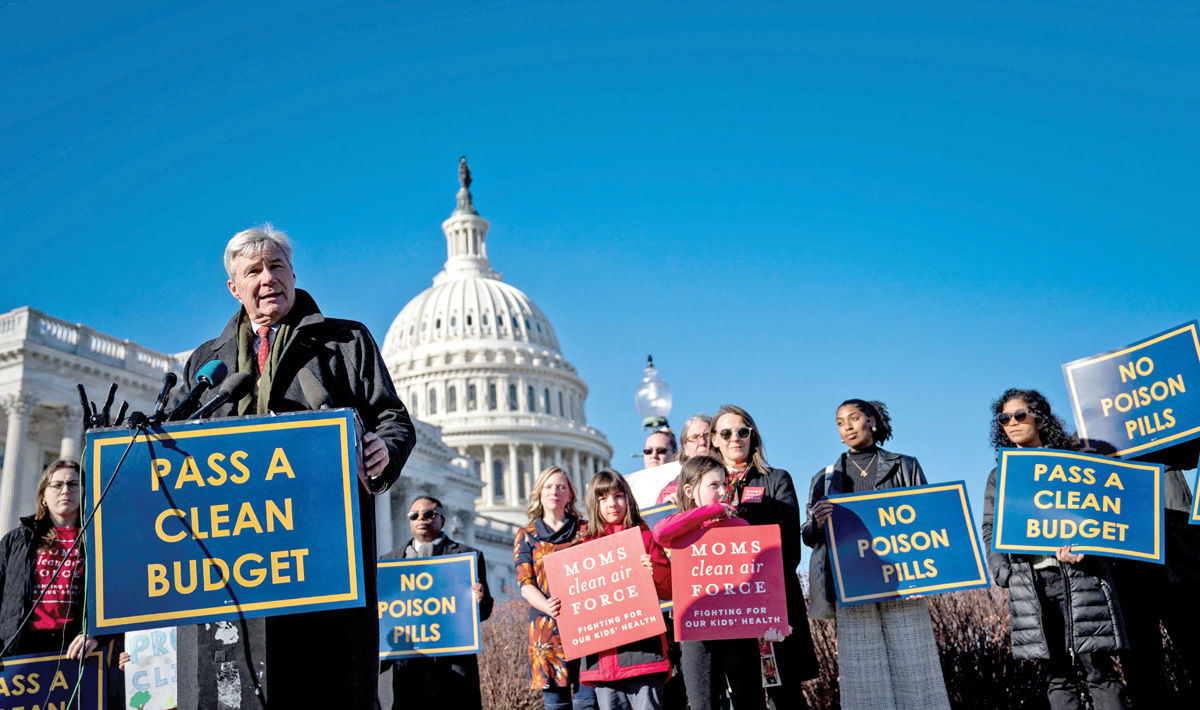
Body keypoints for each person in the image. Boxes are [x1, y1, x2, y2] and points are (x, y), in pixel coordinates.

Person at [176, 224, 416, 708]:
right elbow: (180, 443)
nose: (268, 278)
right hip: (233, 559)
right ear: (234, 287)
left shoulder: (346, 341)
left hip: (323, 555)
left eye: (277, 266)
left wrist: (384, 449)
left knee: (323, 688)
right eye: (254, 271)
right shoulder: (207, 361)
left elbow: (392, 419)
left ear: (293, 273)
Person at [981, 388, 1126, 709]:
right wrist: (1004, 573)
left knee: (1099, 672)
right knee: (1057, 677)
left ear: (1040, 420)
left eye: (1020, 415)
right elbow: (991, 528)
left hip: (1080, 578)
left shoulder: (1073, 463)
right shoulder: (1000, 475)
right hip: (1031, 586)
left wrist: (1087, 549)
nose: (1012, 423)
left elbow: (1100, 514)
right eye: (1004, 418)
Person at [801, 399, 950, 709]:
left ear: (872, 421)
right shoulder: (824, 479)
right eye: (840, 423)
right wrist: (817, 523)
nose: (847, 426)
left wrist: (926, 580)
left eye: (854, 418)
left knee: (918, 676)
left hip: (904, 586)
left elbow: (926, 523)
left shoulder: (906, 465)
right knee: (864, 686)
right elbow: (808, 535)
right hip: (852, 589)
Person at [709, 404, 818, 707]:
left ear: (753, 436)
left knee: (787, 696)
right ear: (714, 439)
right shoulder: (706, 489)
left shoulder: (775, 479)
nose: (735, 438)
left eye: (742, 431)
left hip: (772, 600)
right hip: (727, 608)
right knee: (745, 698)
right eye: (726, 433)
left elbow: (789, 550)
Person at [652, 455, 768, 710]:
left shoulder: (739, 525)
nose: (723, 491)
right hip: (697, 631)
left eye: (723, 484)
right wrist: (711, 510)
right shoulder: (681, 531)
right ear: (689, 491)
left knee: (749, 701)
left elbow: (759, 578)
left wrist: (770, 619)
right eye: (713, 485)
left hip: (736, 626)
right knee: (703, 703)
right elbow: (660, 533)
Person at [380, 495, 494, 709]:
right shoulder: (388, 561)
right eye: (414, 515)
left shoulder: (468, 556)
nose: (420, 519)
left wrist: (480, 599)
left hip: (452, 667)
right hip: (406, 669)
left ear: (442, 519)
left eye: (428, 514)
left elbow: (484, 610)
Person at [578, 470, 671, 710]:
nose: (612, 504)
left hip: (644, 654)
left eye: (618, 496)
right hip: (603, 659)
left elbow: (669, 590)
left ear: (628, 498)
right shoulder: (584, 549)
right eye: (603, 499)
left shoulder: (645, 537)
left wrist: (654, 571)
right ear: (594, 504)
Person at [514, 465, 596, 710]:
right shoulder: (527, 535)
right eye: (548, 487)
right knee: (556, 704)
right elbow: (525, 583)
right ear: (539, 493)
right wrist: (548, 606)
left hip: (586, 623)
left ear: (570, 494)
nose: (554, 492)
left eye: (561, 487)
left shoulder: (586, 530)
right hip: (547, 626)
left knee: (587, 701)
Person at [0, 460, 98, 659]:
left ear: (84, 492)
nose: (65, 491)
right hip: (20, 646)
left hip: (76, 647)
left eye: (73, 484)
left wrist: (97, 634)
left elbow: (114, 596)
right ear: (43, 496)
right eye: (57, 485)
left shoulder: (98, 540)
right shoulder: (17, 540)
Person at [655, 414, 712, 505]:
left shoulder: (732, 478)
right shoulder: (671, 490)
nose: (702, 442)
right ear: (685, 447)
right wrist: (668, 506)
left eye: (707, 436)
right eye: (695, 437)